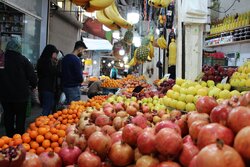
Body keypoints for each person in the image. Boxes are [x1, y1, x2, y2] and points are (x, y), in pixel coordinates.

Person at [0, 38, 37, 137]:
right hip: (21, 96)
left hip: (5, 96)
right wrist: (33, 85)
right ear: (18, 47)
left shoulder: (1, 59)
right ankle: (19, 138)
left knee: (8, 116)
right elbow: (32, 76)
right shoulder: (23, 59)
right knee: (20, 118)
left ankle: (8, 138)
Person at [37, 45, 59, 116]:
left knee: (47, 106)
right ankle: (43, 123)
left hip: (42, 87)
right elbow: (53, 72)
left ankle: (44, 122)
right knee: (47, 107)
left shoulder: (41, 60)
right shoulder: (47, 62)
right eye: (55, 53)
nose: (56, 55)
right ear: (51, 53)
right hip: (48, 88)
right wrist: (56, 65)